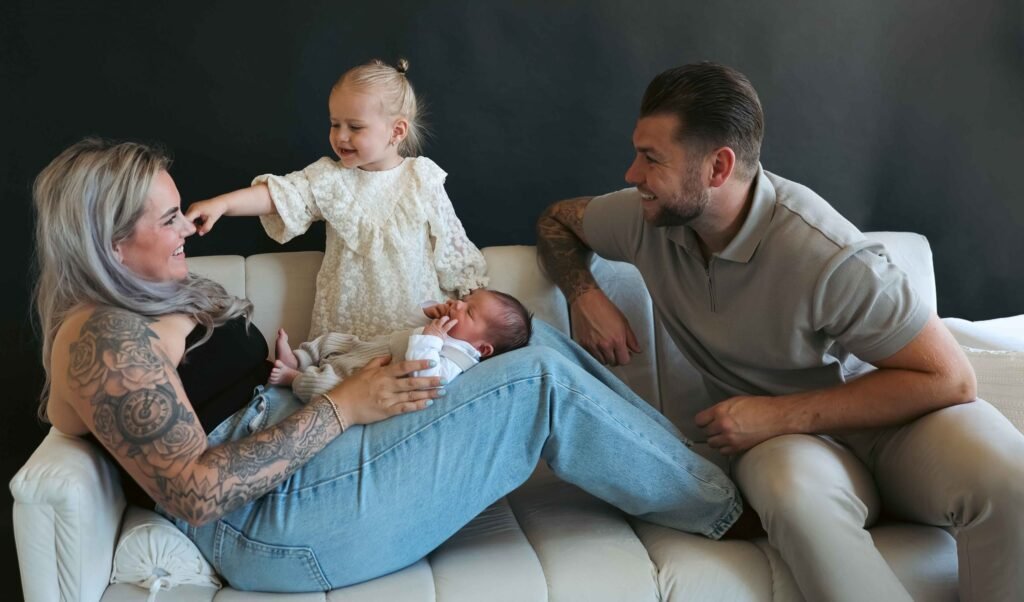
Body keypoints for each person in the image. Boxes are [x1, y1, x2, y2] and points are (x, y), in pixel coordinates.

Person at [32, 137, 744, 593]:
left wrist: (303, 379)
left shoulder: (146, 300)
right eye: (166, 220)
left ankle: (688, 464)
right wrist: (345, 403)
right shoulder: (101, 337)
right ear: (110, 244)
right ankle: (730, 513)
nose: (186, 226)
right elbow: (195, 494)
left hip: (304, 458)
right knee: (538, 383)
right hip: (272, 524)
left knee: (532, 341)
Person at [536, 62, 1024, 602]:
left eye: (652, 158)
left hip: (897, 429)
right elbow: (557, 219)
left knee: (1013, 477)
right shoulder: (643, 219)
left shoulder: (826, 253)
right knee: (792, 490)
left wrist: (776, 414)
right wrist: (585, 294)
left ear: (718, 167)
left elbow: (951, 378)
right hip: (791, 448)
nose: (632, 173)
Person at [184, 58, 488, 341]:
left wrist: (474, 303)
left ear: (396, 131)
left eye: (355, 127)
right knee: (335, 371)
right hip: (344, 329)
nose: (341, 136)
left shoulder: (421, 179)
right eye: (334, 124)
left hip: (415, 328)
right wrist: (222, 204)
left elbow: (453, 246)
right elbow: (280, 195)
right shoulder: (330, 178)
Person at [270, 289, 532, 403]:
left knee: (328, 387)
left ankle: (293, 378)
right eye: (466, 299)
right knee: (331, 340)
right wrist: (426, 313)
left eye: (470, 312)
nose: (459, 304)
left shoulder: (457, 359)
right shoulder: (446, 328)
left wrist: (432, 338)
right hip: (369, 347)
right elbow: (407, 327)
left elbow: (424, 376)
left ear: (483, 348)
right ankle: (298, 359)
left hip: (365, 374)